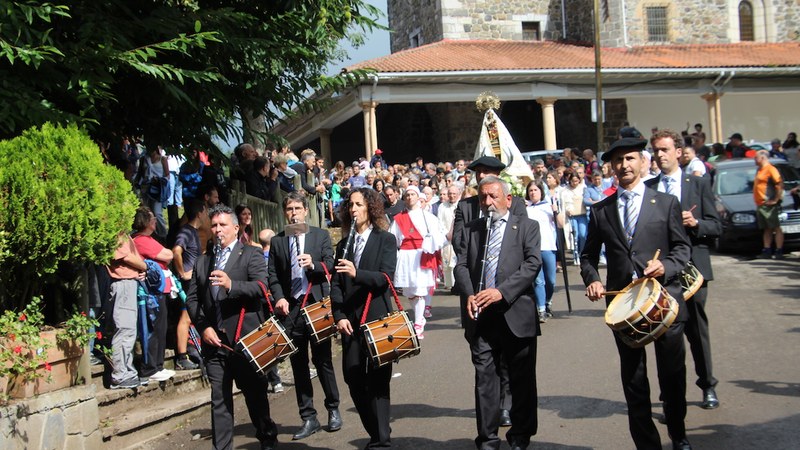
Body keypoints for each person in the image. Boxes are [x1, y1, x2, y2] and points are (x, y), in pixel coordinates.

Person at [580, 137, 693, 450]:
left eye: (630, 159)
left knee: (672, 377)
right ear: (612, 167)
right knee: (634, 381)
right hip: (623, 307)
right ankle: (647, 444)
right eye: (618, 161)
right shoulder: (601, 210)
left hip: (664, 301)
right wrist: (593, 280)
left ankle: (679, 434)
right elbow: (587, 255)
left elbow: (683, 248)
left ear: (644, 163)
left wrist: (665, 265)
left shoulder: (666, 203)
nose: (624, 165)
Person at [454, 175, 542, 450]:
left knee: (521, 380)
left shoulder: (527, 226)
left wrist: (501, 291)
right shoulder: (471, 229)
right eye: (483, 197)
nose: (488, 202)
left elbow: (532, 264)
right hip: (482, 318)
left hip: (516, 313)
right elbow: (461, 266)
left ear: (508, 198)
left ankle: (520, 435)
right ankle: (487, 439)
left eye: (493, 196)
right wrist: (469, 293)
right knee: (484, 380)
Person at [185, 204, 279, 450]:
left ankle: (267, 438)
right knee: (220, 400)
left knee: (255, 396)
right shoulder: (203, 262)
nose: (217, 230)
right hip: (215, 343)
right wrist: (204, 327)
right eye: (214, 225)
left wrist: (231, 285)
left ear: (236, 228)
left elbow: (261, 288)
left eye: (223, 225)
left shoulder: (250, 254)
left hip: (245, 341)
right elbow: (192, 300)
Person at [646, 129, 723, 410]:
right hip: (663, 273)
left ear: (679, 152)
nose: (659, 155)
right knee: (664, 336)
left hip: (694, 271)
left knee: (696, 332)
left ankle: (707, 386)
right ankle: (670, 397)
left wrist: (696, 223)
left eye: (665, 150)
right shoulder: (650, 188)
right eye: (656, 151)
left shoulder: (698, 184)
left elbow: (716, 227)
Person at [452, 156, 526, 428]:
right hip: (474, 292)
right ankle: (489, 408)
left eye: (489, 171)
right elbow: (461, 248)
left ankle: (504, 405)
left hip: (505, 294)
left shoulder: (514, 203)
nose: (483, 175)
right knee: (480, 355)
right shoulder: (465, 207)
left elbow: (520, 245)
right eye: (479, 171)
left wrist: (502, 288)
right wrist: (471, 291)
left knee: (506, 355)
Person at [267, 192, 342, 440]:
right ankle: (308, 417)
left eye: (298, 208)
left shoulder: (319, 235)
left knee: (323, 361)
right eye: (289, 209)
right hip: (292, 309)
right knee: (299, 365)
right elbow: (273, 276)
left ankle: (333, 409)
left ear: (306, 211)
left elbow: (331, 264)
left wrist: (314, 265)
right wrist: (278, 297)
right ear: (284, 212)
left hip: (316, 305)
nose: (294, 213)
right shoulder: (278, 242)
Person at [330, 187, 398, 449]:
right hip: (350, 322)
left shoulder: (385, 240)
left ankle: (381, 440)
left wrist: (357, 274)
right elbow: (336, 284)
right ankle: (377, 428)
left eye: (359, 204)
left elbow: (385, 278)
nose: (353, 209)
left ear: (370, 207)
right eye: (350, 205)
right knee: (352, 376)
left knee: (379, 380)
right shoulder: (343, 244)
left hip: (378, 319)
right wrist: (338, 314)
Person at [389, 185, 446, 339]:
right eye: (407, 195)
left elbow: (440, 236)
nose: (409, 197)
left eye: (412, 194)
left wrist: (431, 244)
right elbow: (392, 240)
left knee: (420, 290)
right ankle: (419, 317)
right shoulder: (399, 218)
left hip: (421, 255)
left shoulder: (428, 217)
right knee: (411, 292)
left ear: (418, 197)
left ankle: (419, 321)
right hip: (406, 256)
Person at [131, 207, 176, 383]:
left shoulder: (149, 239)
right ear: (146, 222)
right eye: (153, 219)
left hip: (159, 290)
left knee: (160, 328)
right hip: (151, 292)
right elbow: (167, 254)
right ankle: (150, 367)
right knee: (153, 329)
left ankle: (158, 365)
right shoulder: (141, 240)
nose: (155, 222)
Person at [107, 232, 147, 389]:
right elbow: (125, 256)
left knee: (129, 330)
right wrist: (145, 266)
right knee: (125, 330)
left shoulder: (121, 230)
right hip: (122, 282)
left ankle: (127, 372)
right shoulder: (114, 228)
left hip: (128, 282)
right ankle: (121, 374)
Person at [171, 198, 205, 370]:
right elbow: (176, 251)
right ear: (200, 213)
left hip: (194, 281)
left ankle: (193, 351)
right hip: (187, 283)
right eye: (205, 211)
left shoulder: (193, 231)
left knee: (192, 316)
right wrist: (182, 272)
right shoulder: (186, 231)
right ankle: (181, 357)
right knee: (185, 318)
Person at [526, 180, 562, 323]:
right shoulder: (526, 209)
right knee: (538, 280)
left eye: (535, 190)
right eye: (531, 190)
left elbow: (560, 224)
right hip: (533, 249)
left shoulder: (548, 206)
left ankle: (547, 302)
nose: (533, 193)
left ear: (541, 191)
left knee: (551, 281)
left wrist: (556, 210)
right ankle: (541, 310)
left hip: (548, 247)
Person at [257, 228, 284, 394]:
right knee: (272, 339)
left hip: (268, 300)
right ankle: (275, 379)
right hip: (273, 301)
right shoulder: (272, 256)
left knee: (269, 339)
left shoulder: (256, 255)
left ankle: (274, 379)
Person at [753, 150, 785, 259]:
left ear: (762, 158)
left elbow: (779, 183)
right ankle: (767, 250)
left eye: (756, 158)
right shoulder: (760, 170)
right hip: (761, 205)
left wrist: (776, 199)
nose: (754, 160)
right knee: (767, 228)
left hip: (769, 205)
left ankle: (779, 250)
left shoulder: (771, 169)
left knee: (776, 227)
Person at [438, 184, 462, 290]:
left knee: (456, 261)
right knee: (447, 262)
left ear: (459, 194)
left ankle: (458, 284)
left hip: (459, 237)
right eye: (450, 194)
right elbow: (439, 221)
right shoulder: (442, 206)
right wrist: (447, 234)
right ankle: (449, 284)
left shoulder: (461, 205)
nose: (452, 196)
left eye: (454, 194)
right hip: (446, 238)